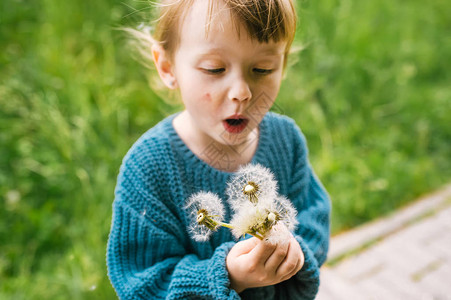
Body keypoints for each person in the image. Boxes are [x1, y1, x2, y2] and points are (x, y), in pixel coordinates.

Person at [106, 0, 331, 299]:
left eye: (262, 69)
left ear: (284, 64)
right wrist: (226, 275)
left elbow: (313, 217)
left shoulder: (285, 140)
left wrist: (293, 253)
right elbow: (142, 282)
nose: (242, 92)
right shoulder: (149, 167)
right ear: (167, 67)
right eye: (215, 69)